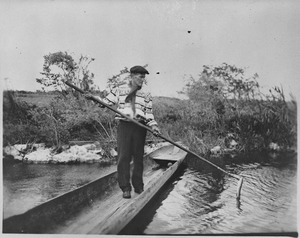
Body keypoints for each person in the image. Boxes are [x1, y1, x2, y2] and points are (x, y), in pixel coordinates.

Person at [88, 65, 160, 199]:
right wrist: (93, 98)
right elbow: (105, 102)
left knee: (138, 158)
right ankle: (125, 188)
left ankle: (138, 186)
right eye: (140, 77)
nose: (142, 80)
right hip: (124, 126)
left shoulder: (146, 95)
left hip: (140, 127)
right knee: (123, 158)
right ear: (132, 76)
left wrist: (154, 126)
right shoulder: (119, 90)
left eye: (143, 78)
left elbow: (149, 114)